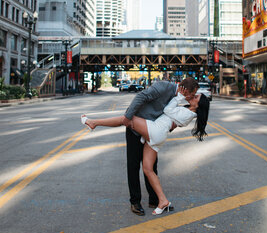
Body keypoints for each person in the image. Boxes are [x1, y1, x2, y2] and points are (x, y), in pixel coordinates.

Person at [81, 90, 209, 215]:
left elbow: (167, 110)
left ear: (199, 105)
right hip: (157, 136)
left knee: (127, 119)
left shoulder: (188, 114)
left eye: (196, 97)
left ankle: (93, 123)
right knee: (148, 169)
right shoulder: (188, 111)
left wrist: (179, 97)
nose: (193, 96)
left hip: (155, 131)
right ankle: (163, 201)